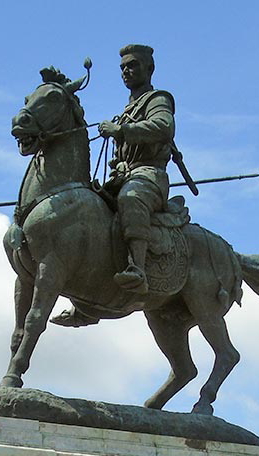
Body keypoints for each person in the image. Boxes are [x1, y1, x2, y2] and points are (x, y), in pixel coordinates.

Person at [97, 44, 175, 295]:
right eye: (122, 68)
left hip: (149, 176)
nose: (126, 71)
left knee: (131, 199)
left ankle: (138, 270)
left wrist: (121, 131)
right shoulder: (126, 110)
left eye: (132, 65)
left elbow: (164, 127)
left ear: (149, 68)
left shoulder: (158, 99)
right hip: (122, 177)